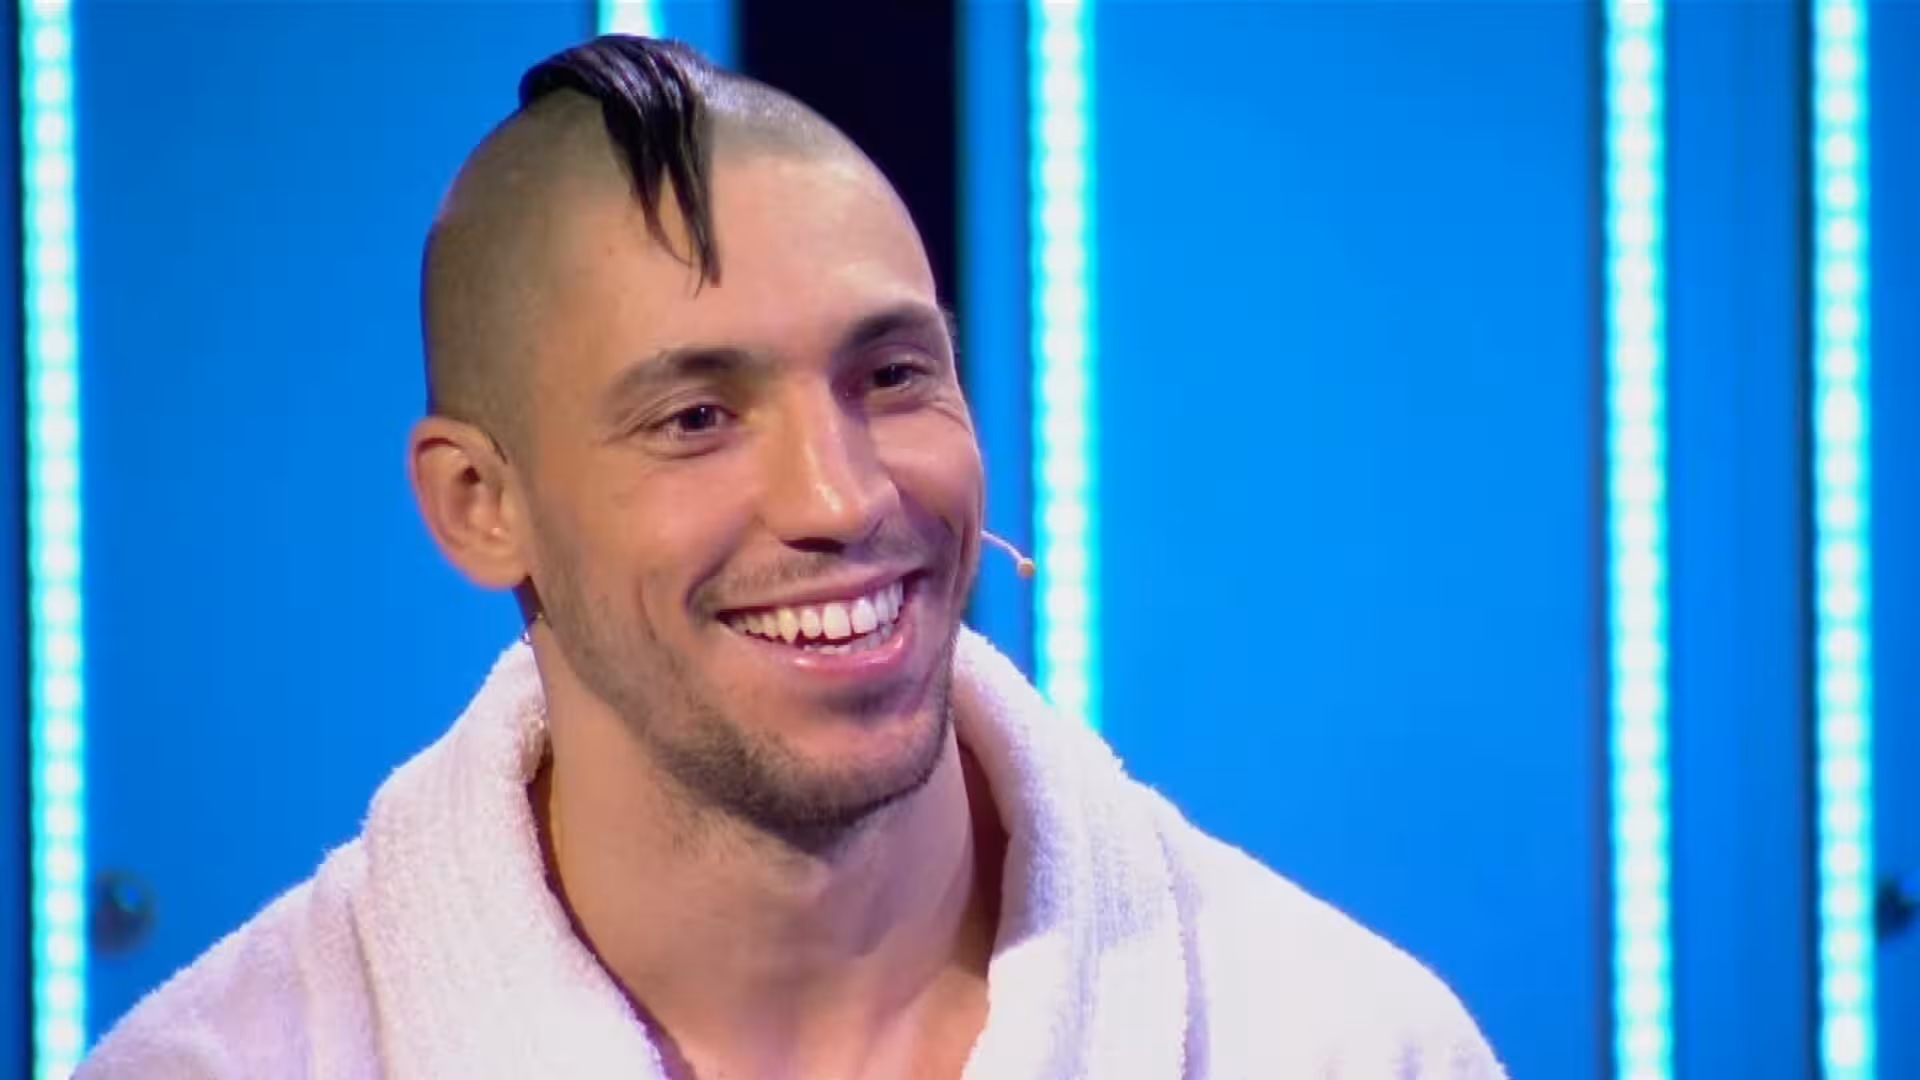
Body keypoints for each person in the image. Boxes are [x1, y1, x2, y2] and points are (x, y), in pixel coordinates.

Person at [78, 35, 1504, 1079]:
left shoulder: (1340, 1042)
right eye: (696, 417)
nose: (842, 495)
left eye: (893, 375)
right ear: (477, 504)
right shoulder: (230, 1060)